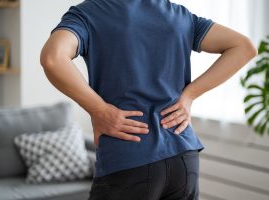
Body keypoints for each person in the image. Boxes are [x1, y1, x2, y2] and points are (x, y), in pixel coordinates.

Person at [40, 0, 257, 199]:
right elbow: (244, 47)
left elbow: (53, 58)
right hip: (183, 157)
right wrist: (189, 95)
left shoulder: (89, 13)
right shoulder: (179, 15)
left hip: (128, 156)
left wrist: (99, 110)